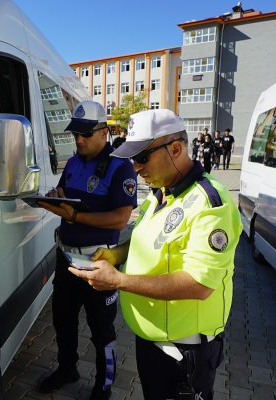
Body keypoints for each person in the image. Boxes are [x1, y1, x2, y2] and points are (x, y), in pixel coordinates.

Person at [70, 109, 242, 400]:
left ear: (175, 149)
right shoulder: (161, 192)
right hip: (153, 342)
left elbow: (199, 285)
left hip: (183, 353)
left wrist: (119, 281)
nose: (135, 167)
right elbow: (147, 239)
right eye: (132, 158)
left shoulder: (210, 204)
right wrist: (117, 255)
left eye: (142, 157)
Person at [37, 100, 137, 399]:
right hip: (66, 255)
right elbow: (65, 194)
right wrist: (56, 198)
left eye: (85, 134)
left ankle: (103, 386)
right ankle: (68, 369)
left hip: (98, 260)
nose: (78, 140)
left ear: (104, 132)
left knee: (101, 329)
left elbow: (121, 217)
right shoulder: (73, 162)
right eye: (75, 134)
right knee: (62, 320)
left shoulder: (121, 167)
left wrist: (75, 216)